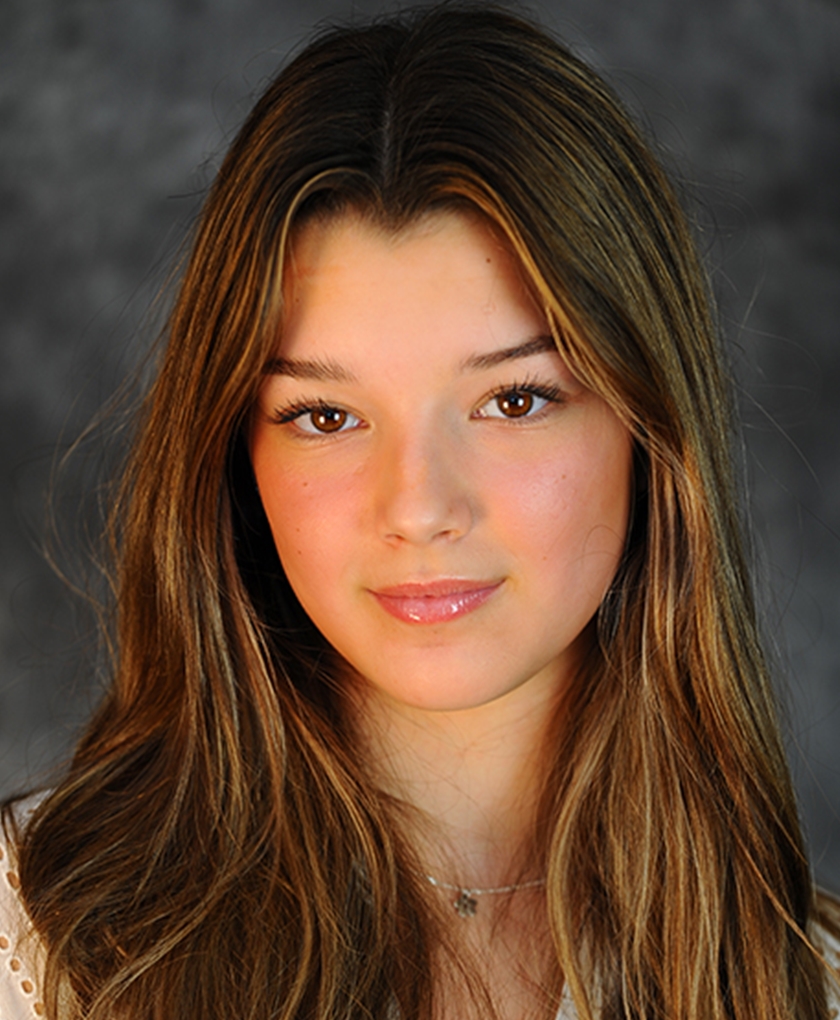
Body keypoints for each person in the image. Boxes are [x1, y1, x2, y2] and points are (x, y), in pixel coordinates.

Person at [2, 3, 839, 1018]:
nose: (419, 507)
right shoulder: (33, 940)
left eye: (514, 401)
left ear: (649, 428)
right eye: (326, 416)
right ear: (234, 459)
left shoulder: (803, 982)